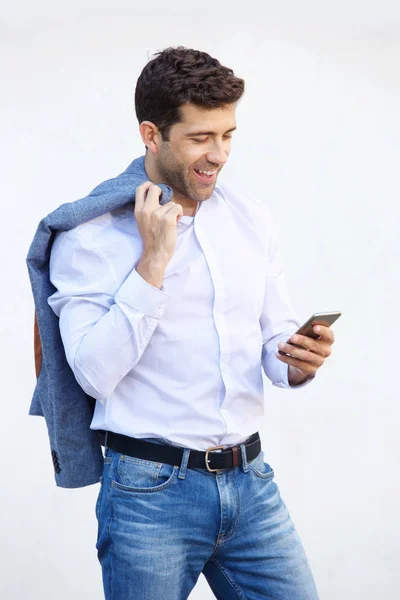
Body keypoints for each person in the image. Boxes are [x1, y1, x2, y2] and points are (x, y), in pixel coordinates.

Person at [47, 46, 334, 599]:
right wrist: (152, 263)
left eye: (227, 135)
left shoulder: (250, 218)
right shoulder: (90, 234)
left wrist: (298, 359)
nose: (219, 154)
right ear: (151, 135)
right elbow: (91, 376)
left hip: (252, 484)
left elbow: (273, 340)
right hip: (148, 493)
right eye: (201, 138)